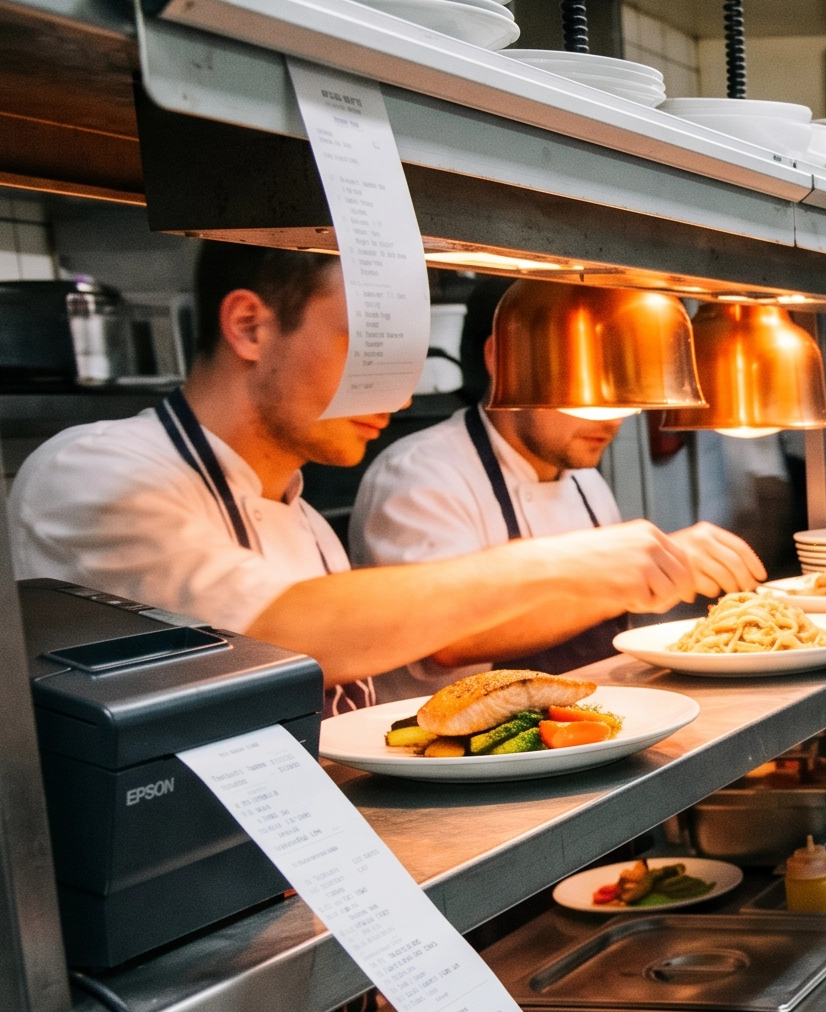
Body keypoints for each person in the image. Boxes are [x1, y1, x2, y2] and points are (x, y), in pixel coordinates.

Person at [10, 243, 731, 703]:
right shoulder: (92, 472)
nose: (397, 391)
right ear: (250, 327)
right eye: (365, 344)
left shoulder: (299, 516)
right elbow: (270, 633)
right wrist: (567, 563)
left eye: (406, 356)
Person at [351, 400, 764, 689]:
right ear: (505, 362)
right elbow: (446, 640)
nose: (611, 418)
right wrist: (630, 579)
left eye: (622, 397)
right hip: (468, 766)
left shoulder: (585, 479)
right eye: (584, 392)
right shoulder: (420, 472)